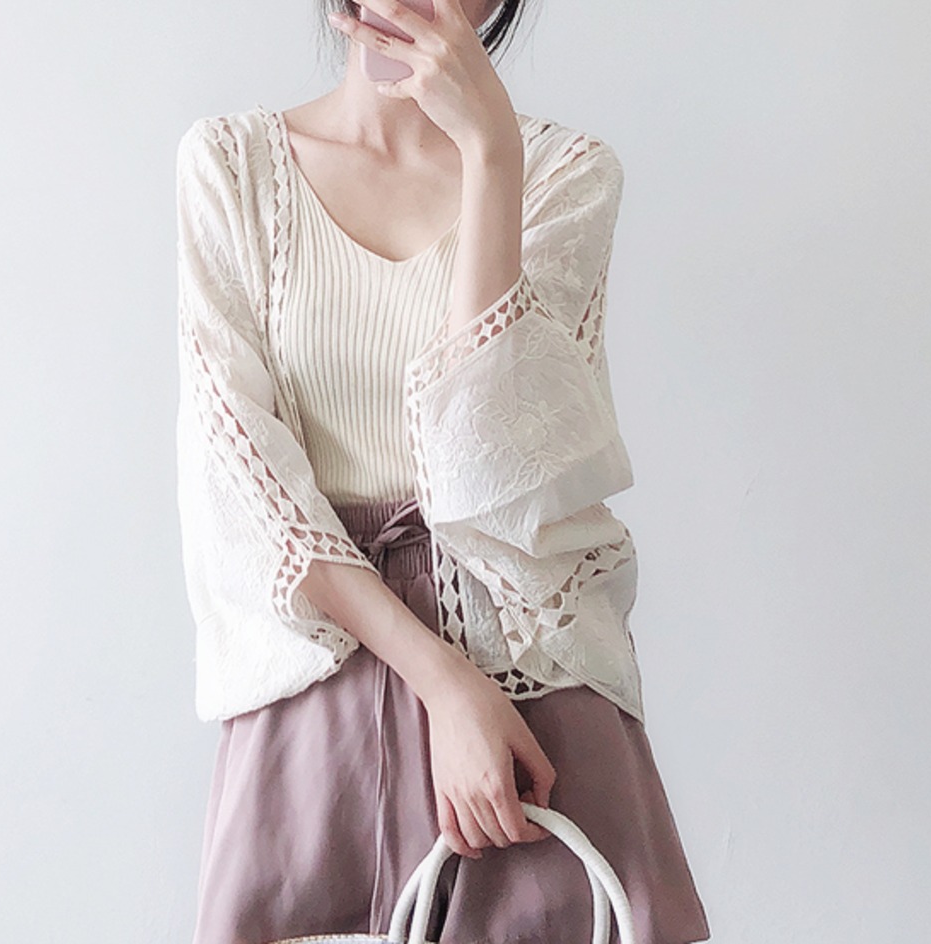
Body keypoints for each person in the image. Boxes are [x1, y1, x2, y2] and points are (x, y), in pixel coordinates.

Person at [175, 1, 712, 941]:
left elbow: (493, 467)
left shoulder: (565, 174)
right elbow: (245, 483)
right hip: (326, 664)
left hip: (527, 669)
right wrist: (447, 687)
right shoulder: (232, 164)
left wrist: (491, 156)